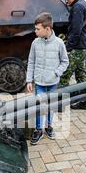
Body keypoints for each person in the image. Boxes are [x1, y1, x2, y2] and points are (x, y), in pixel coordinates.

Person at [26, 12, 69, 145]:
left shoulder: (59, 43)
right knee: (39, 106)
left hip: (53, 82)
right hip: (39, 82)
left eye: (38, 29)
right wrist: (29, 80)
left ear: (47, 29)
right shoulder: (35, 43)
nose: (35, 31)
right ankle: (38, 129)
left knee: (50, 106)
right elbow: (31, 62)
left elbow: (65, 62)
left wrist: (56, 73)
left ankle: (49, 126)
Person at [59, 0, 86, 109]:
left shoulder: (78, 6)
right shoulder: (83, 4)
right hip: (83, 47)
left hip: (77, 47)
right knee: (81, 76)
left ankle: (60, 104)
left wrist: (68, 48)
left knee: (64, 75)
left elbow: (75, 31)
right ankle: (84, 102)